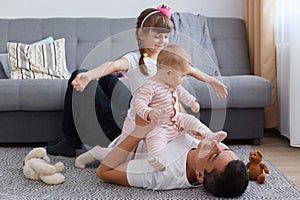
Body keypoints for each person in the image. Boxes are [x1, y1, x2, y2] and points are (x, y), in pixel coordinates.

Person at [47, 4, 228, 157]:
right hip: (136, 111)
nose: (162, 41)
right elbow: (112, 65)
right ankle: (69, 140)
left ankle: (70, 140)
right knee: (86, 74)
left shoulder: (168, 60)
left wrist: (212, 81)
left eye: (165, 37)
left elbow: (192, 70)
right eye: (157, 36)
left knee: (81, 75)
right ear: (141, 34)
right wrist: (89, 76)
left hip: (134, 127)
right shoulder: (134, 59)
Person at [96, 119, 249, 198]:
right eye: (225, 148)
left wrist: (142, 129)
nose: (216, 144)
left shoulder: (162, 172)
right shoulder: (210, 144)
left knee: (81, 76)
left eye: (215, 154)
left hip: (120, 132)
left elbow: (104, 172)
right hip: (147, 112)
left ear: (200, 175)